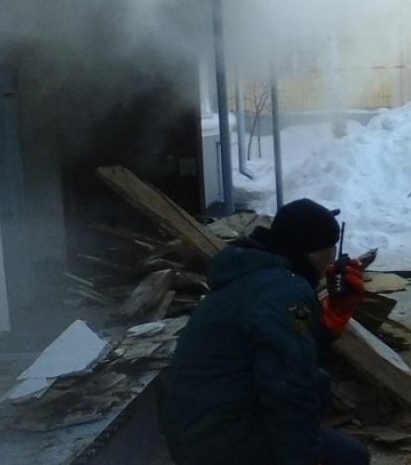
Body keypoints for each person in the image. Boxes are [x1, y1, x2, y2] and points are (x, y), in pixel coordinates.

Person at [158, 198, 371, 465]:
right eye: (330, 250)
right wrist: (305, 459)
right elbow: (289, 388)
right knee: (349, 457)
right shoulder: (284, 292)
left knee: (319, 384)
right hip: (218, 442)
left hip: (200, 426)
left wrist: (332, 316)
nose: (331, 260)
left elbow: (289, 354)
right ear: (313, 253)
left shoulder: (257, 275)